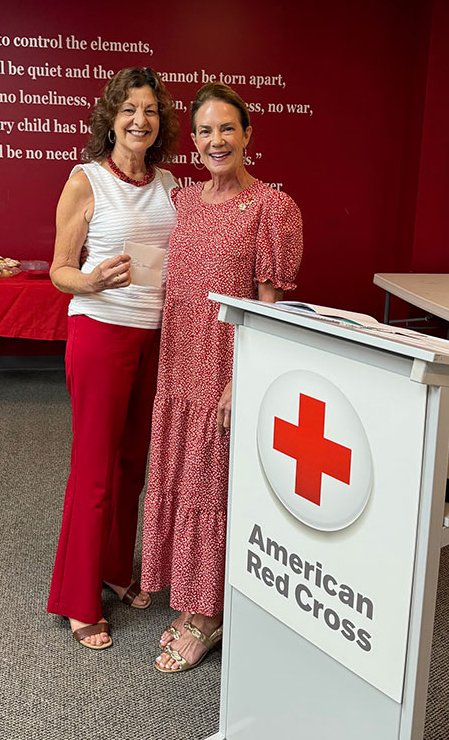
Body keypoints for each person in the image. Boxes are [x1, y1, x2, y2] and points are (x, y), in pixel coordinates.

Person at [141, 82, 303, 672]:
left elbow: (272, 306)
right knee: (184, 479)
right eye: (205, 130)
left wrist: (243, 377)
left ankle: (208, 615)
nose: (215, 141)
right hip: (178, 362)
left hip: (224, 368)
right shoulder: (183, 201)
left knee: (215, 490)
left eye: (226, 129)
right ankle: (188, 595)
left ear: (248, 135)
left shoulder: (271, 207)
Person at [46, 67, 179, 650]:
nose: (139, 120)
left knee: (133, 465)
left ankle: (116, 570)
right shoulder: (85, 181)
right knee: (95, 469)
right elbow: (58, 270)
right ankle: (77, 598)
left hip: (155, 339)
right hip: (100, 332)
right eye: (129, 109)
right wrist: (92, 281)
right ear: (111, 117)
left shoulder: (172, 185)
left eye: (149, 110)